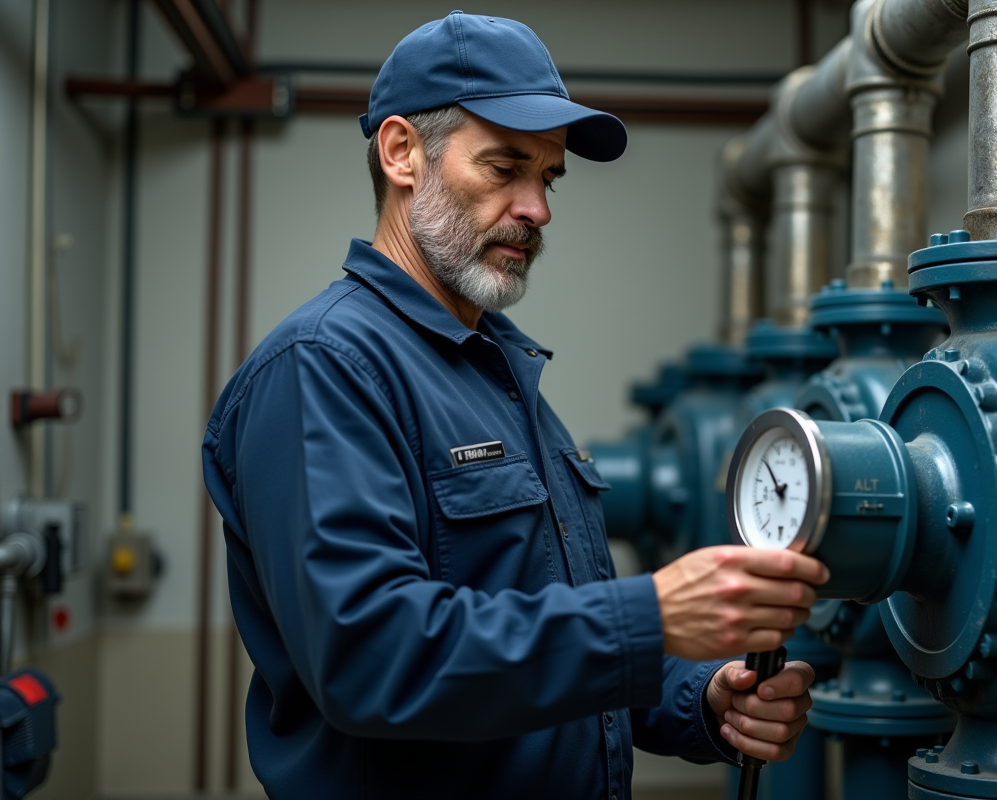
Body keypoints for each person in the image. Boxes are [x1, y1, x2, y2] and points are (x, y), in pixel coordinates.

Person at [202, 11, 829, 799]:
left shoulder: (498, 368)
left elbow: (544, 642)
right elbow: (372, 661)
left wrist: (699, 699)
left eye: (548, 177)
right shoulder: (325, 369)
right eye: (504, 168)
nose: (538, 208)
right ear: (402, 154)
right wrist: (649, 616)